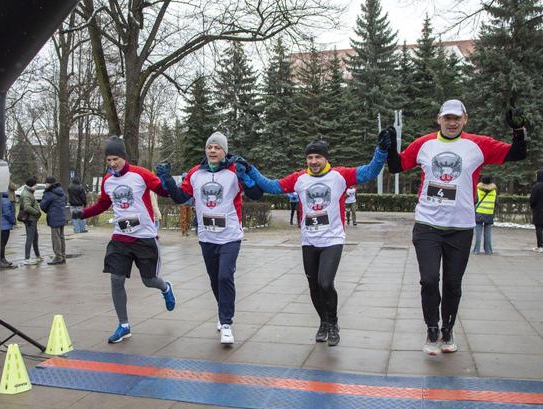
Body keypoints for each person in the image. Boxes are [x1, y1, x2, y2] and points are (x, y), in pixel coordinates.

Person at [385, 99, 527, 355]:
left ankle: (447, 329)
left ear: (465, 119)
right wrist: (389, 147)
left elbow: (518, 154)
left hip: (460, 228)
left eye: (456, 118)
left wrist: (519, 131)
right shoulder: (424, 144)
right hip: (427, 225)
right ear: (439, 119)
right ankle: (431, 329)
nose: (452, 123)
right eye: (447, 118)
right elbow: (397, 166)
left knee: (452, 284)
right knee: (429, 280)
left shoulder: (478, 145)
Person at [246, 137, 389, 346]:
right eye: (310, 157)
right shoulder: (300, 178)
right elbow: (271, 186)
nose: (313, 161)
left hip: (332, 239)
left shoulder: (339, 176)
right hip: (309, 241)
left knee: (325, 282)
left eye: (318, 157)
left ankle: (333, 323)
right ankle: (323, 322)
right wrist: (250, 170)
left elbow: (370, 171)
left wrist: (381, 151)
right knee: (313, 286)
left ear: (326, 158)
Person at [156, 131, 263, 345]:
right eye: (209, 147)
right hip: (207, 236)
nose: (212, 150)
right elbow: (180, 197)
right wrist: (167, 179)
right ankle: (222, 312)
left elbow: (257, 194)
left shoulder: (235, 170)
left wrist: (248, 176)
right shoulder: (196, 173)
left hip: (230, 235)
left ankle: (226, 323)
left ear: (224, 151)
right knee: (215, 280)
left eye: (217, 147)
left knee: (225, 276)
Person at [72, 136, 176, 343]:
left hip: (145, 236)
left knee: (149, 281)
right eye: (108, 160)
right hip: (121, 237)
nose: (112, 164)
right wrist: (82, 214)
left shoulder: (140, 174)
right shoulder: (108, 180)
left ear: (123, 157)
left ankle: (165, 288)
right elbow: (103, 203)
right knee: (116, 279)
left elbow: (163, 191)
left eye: (115, 159)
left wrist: (167, 179)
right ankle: (124, 325)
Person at [40, 176, 68, 265]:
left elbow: (43, 205)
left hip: (54, 217)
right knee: (61, 237)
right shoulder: (61, 191)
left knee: (56, 238)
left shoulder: (49, 193)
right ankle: (63, 256)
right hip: (62, 216)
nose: (45, 184)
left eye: (46, 183)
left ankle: (58, 257)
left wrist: (47, 210)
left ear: (49, 183)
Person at [19, 177, 43, 265]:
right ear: (31, 185)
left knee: (35, 237)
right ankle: (27, 258)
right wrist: (36, 212)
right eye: (35, 185)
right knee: (30, 238)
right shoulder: (26, 194)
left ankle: (37, 255)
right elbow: (27, 207)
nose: (36, 186)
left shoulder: (29, 192)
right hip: (30, 219)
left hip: (33, 219)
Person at [473, 176, 497, 255]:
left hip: (479, 213)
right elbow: (496, 203)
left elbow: (475, 200)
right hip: (489, 213)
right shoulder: (494, 191)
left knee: (478, 233)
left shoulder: (478, 190)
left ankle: (476, 250)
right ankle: (488, 250)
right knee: (488, 233)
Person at [0, 192, 16, 268]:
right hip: (5, 226)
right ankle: (2, 260)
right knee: (3, 244)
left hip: (0, 225)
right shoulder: (5, 201)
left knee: (1, 244)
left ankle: (2, 259)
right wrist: (13, 221)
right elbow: (7, 213)